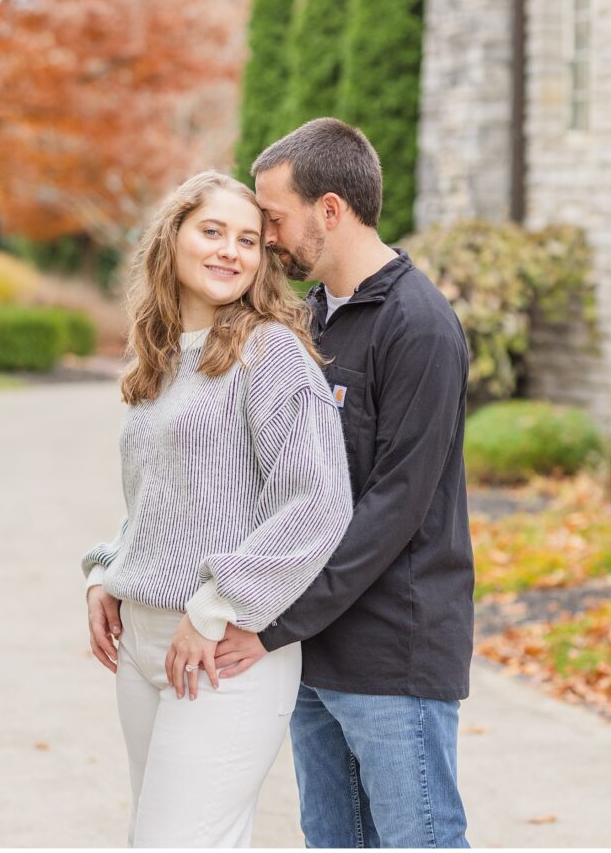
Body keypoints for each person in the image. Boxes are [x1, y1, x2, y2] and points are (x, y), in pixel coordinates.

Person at [213, 118, 474, 849]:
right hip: (312, 653)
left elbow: (395, 506)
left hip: (394, 656)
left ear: (330, 209)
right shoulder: (307, 323)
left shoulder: (419, 325)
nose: (266, 237)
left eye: (273, 217)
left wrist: (272, 623)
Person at [82, 170, 354, 849]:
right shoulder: (160, 357)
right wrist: (105, 571)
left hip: (221, 647)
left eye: (248, 240)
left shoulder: (272, 353)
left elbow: (319, 501)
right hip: (143, 642)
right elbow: (168, 497)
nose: (231, 251)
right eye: (212, 231)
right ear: (172, 237)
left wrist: (215, 608)